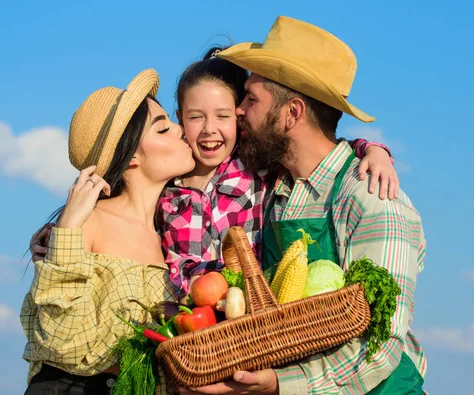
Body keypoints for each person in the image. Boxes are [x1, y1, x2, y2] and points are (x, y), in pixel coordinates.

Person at [180, 16, 427, 395]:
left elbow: (381, 345)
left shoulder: (372, 200)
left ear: (292, 113)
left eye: (251, 98)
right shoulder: (272, 186)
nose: (239, 110)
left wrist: (282, 385)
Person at [157, 46, 398, 301]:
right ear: (180, 119)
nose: (209, 129)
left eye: (223, 115)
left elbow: (322, 151)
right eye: (195, 117)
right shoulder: (168, 190)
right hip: (198, 323)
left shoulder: (252, 166)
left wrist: (373, 150)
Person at [21, 69, 195, 395]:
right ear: (131, 158)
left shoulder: (171, 235)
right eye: (163, 128)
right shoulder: (88, 222)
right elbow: (60, 337)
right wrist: (68, 230)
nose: (180, 129)